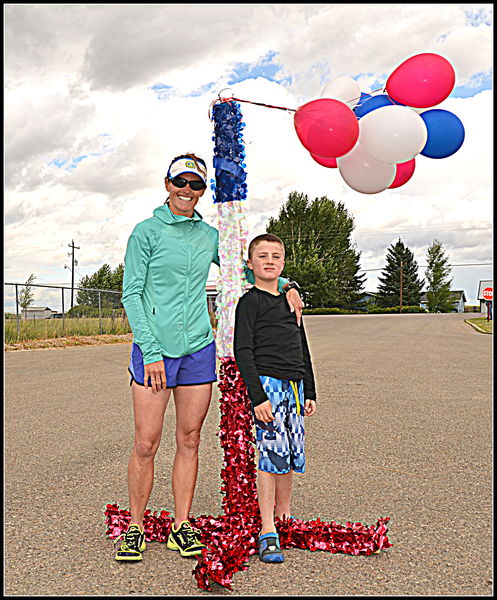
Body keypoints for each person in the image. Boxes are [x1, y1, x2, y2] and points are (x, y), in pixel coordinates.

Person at [115, 154, 303, 561]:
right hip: (154, 351)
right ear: (167, 184)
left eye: (195, 185)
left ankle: (181, 526)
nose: (187, 190)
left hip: (198, 349)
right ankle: (135, 527)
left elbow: (244, 269)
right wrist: (150, 350)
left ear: (203, 191)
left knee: (190, 438)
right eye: (180, 181)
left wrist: (287, 282)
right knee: (146, 443)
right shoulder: (145, 232)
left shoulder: (208, 235)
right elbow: (131, 293)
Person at [234, 233, 317, 564]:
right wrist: (258, 397)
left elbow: (303, 348)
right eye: (263, 256)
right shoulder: (250, 302)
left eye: (276, 256)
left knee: (289, 456)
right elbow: (243, 351)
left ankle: (283, 516)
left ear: (283, 263)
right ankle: (267, 528)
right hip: (268, 389)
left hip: (294, 389)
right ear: (250, 264)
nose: (270, 260)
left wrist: (309, 389)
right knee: (270, 457)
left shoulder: (290, 301)